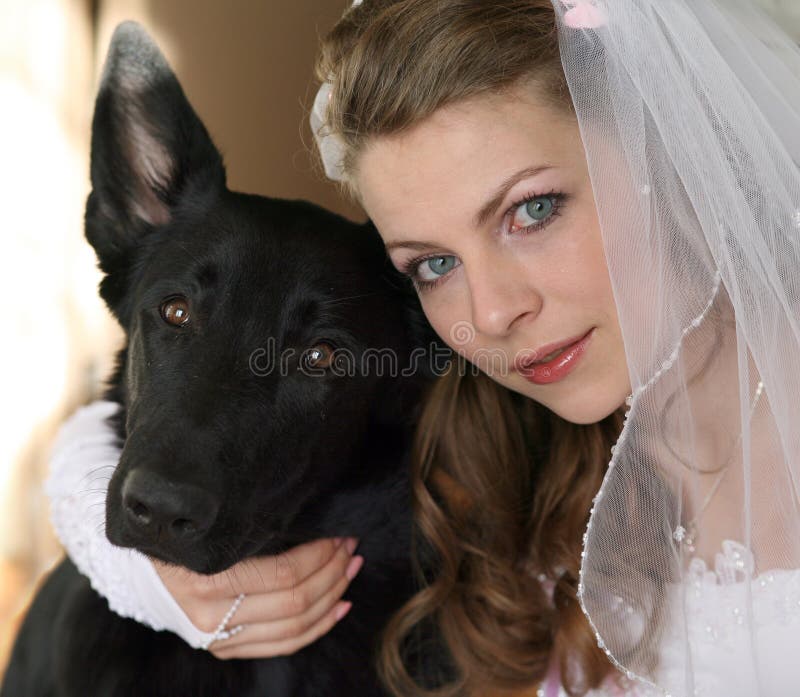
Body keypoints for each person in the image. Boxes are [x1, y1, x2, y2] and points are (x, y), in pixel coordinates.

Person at [45, 0, 800, 695]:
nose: (494, 311)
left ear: (663, 142)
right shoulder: (506, 429)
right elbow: (97, 434)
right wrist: (145, 573)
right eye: (433, 265)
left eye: (532, 210)